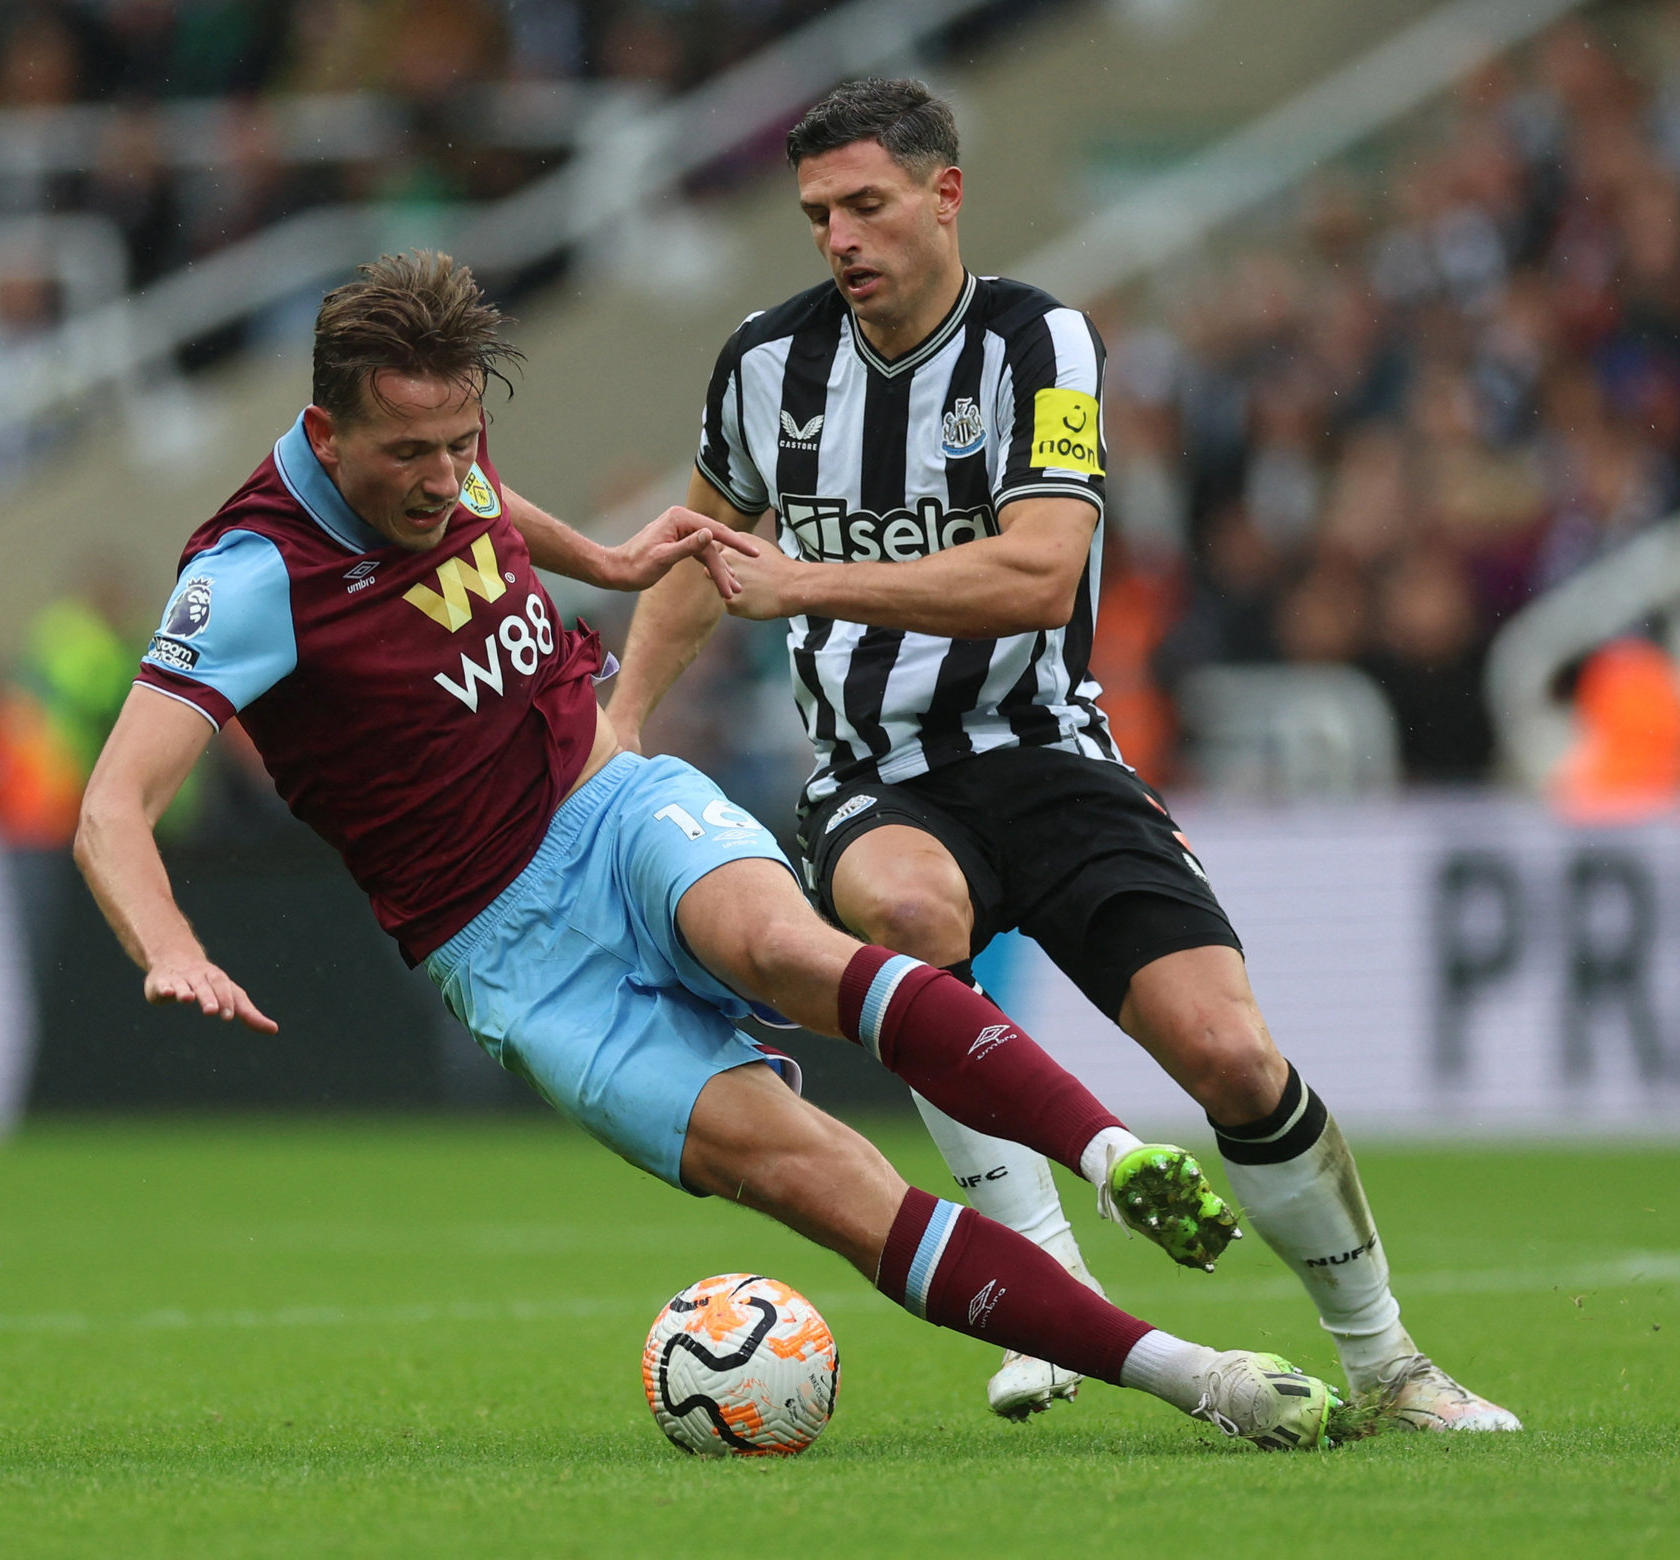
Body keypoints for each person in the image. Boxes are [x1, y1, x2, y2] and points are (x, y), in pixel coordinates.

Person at [74, 250, 1360, 1452]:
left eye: (459, 439)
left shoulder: (441, 454)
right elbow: (111, 810)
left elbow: (482, 498)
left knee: (780, 942)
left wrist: (611, 560)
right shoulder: (249, 576)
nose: (440, 474)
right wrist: (172, 946)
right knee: (828, 1186)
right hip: (505, 952)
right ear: (323, 437)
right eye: (406, 451)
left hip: (612, 804)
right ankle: (1203, 1378)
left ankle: (1110, 1155)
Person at [606, 79, 1519, 1432]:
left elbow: (1040, 577)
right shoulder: (766, 365)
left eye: (866, 205)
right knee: (907, 917)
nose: (840, 239)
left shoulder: (1043, 346)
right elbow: (702, 556)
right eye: (816, 215)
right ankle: (1040, 1282)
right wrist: (618, 732)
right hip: (878, 771)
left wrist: (808, 585)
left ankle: (1387, 1363)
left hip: (1051, 755)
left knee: (1230, 1058)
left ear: (945, 194)